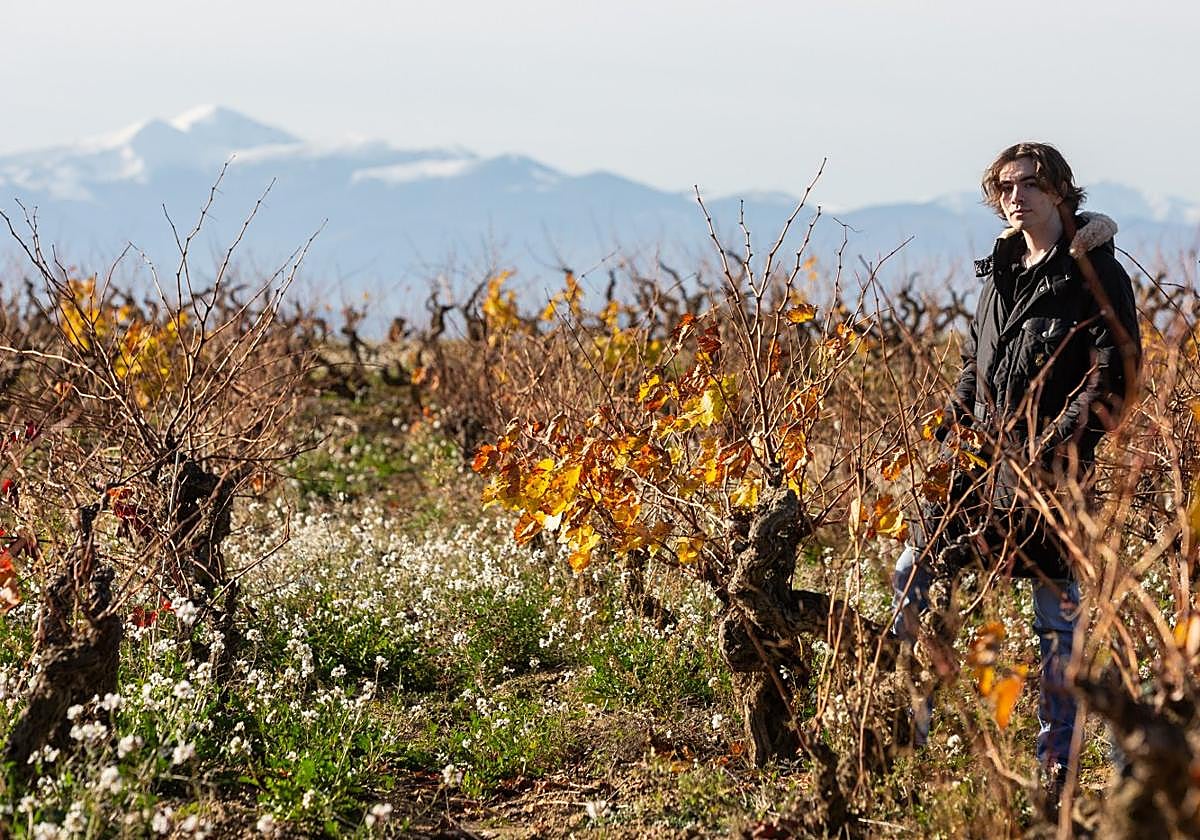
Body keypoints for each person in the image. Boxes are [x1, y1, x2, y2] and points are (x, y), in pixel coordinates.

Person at [891, 142, 1141, 795]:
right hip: (977, 470)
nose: (1015, 195)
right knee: (912, 572)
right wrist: (951, 425)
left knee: (1056, 621)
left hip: (1054, 477)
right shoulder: (1000, 269)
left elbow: (1113, 377)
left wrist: (1054, 446)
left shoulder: (1094, 274)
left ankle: (1055, 768)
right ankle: (900, 735)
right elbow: (976, 365)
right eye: (1005, 186)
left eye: (1030, 183)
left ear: (1060, 190)